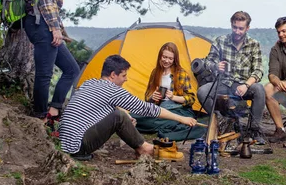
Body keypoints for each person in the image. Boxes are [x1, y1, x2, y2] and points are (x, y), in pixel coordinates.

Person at [59, 55, 197, 160]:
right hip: (77, 147)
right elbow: (148, 109)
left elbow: (105, 106)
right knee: (119, 117)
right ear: (113, 75)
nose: (126, 79)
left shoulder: (89, 83)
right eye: (124, 75)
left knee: (120, 115)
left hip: (64, 142)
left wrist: (127, 117)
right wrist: (181, 118)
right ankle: (144, 149)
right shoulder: (112, 90)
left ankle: (141, 146)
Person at [23, 0, 81, 132]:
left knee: (72, 69)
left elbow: (52, 6)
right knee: (45, 73)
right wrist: (54, 28)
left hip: (47, 25)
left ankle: (54, 109)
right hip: (41, 25)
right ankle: (39, 116)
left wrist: (60, 31)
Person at [197, 11, 266, 144]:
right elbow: (207, 62)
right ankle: (222, 121)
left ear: (247, 28)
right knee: (202, 92)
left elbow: (258, 70)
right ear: (231, 25)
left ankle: (254, 130)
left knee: (259, 89)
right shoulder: (221, 41)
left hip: (243, 84)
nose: (237, 31)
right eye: (235, 27)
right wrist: (216, 66)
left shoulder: (253, 44)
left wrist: (246, 85)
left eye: (241, 28)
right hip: (223, 83)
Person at [131, 43, 204, 140]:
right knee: (132, 116)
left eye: (170, 58)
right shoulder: (155, 72)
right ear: (160, 56)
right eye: (164, 57)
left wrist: (173, 97)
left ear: (174, 60)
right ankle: (170, 125)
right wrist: (152, 97)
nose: (166, 61)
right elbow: (147, 96)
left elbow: (191, 99)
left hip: (179, 110)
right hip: (160, 109)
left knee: (161, 120)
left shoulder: (181, 73)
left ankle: (171, 123)